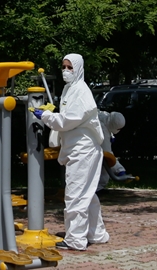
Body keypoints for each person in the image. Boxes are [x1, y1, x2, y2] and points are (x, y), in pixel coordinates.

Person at [35, 53, 108, 250]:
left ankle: (75, 239)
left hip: (83, 151)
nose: (65, 71)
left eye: (70, 68)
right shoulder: (70, 89)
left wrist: (47, 117)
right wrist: (51, 113)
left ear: (78, 69)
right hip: (79, 149)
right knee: (88, 193)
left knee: (75, 194)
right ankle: (97, 233)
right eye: (64, 67)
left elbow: (68, 121)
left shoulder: (81, 92)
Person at [97, 110, 135, 191]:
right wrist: (120, 171)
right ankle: (98, 188)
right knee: (105, 162)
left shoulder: (105, 117)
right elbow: (108, 155)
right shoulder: (102, 130)